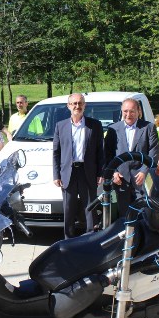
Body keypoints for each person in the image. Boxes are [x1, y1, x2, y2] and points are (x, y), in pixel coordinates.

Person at [53, 93, 104, 239]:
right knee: (68, 208)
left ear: (84, 105)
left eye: (80, 103)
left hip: (87, 171)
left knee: (90, 208)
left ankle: (90, 239)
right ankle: (68, 240)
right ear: (68, 106)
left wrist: (100, 172)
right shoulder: (60, 126)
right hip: (67, 173)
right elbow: (56, 152)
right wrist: (56, 175)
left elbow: (100, 151)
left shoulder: (95, 125)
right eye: (74, 103)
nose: (77, 106)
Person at [104, 98, 159, 217]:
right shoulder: (113, 129)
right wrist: (114, 172)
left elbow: (153, 152)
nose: (128, 114)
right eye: (125, 111)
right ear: (122, 111)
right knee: (124, 215)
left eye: (132, 111)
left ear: (139, 111)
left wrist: (144, 171)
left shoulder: (149, 127)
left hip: (141, 178)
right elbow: (108, 154)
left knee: (143, 213)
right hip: (121, 179)